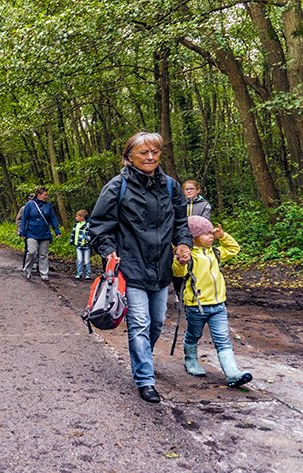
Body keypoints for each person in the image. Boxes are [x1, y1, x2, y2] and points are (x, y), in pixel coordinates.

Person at [89, 131, 192, 403]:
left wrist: (183, 245)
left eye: (155, 152)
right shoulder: (116, 187)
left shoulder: (170, 186)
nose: (150, 157)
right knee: (140, 324)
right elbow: (98, 227)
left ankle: (142, 358)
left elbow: (181, 223)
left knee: (157, 322)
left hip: (160, 270)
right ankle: (145, 379)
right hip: (130, 268)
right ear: (128, 157)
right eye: (143, 152)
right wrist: (109, 251)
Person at [174, 216, 252, 388]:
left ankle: (232, 373)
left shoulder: (215, 252)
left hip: (218, 305)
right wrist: (181, 261)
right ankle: (190, 359)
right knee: (194, 335)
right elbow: (178, 273)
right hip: (196, 306)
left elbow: (234, 249)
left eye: (211, 233)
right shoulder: (188, 255)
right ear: (194, 236)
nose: (211, 237)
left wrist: (222, 236)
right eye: (206, 234)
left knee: (223, 339)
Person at [18, 187, 62, 281]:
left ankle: (44, 274)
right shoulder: (29, 205)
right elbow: (24, 219)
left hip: (45, 233)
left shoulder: (48, 206)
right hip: (31, 232)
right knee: (32, 252)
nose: (46, 196)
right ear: (39, 195)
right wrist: (22, 231)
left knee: (43, 255)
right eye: (45, 195)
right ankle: (28, 271)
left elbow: (53, 218)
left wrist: (57, 230)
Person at [70, 209, 91, 279]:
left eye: (77, 216)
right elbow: (73, 233)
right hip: (78, 245)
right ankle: (79, 273)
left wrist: (87, 239)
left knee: (86, 260)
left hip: (86, 246)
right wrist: (71, 240)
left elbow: (90, 234)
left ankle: (88, 274)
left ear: (82, 217)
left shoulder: (88, 225)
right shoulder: (76, 224)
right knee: (79, 260)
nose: (76, 218)